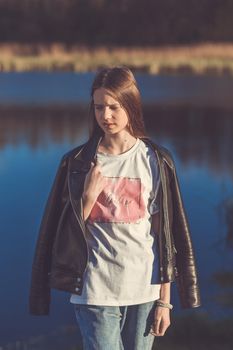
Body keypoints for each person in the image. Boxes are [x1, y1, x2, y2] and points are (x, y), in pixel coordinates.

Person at [29, 66, 201, 350]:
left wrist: (164, 301)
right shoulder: (77, 163)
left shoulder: (154, 160)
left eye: (113, 107)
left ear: (131, 105)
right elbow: (59, 235)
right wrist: (86, 197)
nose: (105, 116)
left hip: (144, 289)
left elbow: (164, 236)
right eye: (99, 107)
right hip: (94, 290)